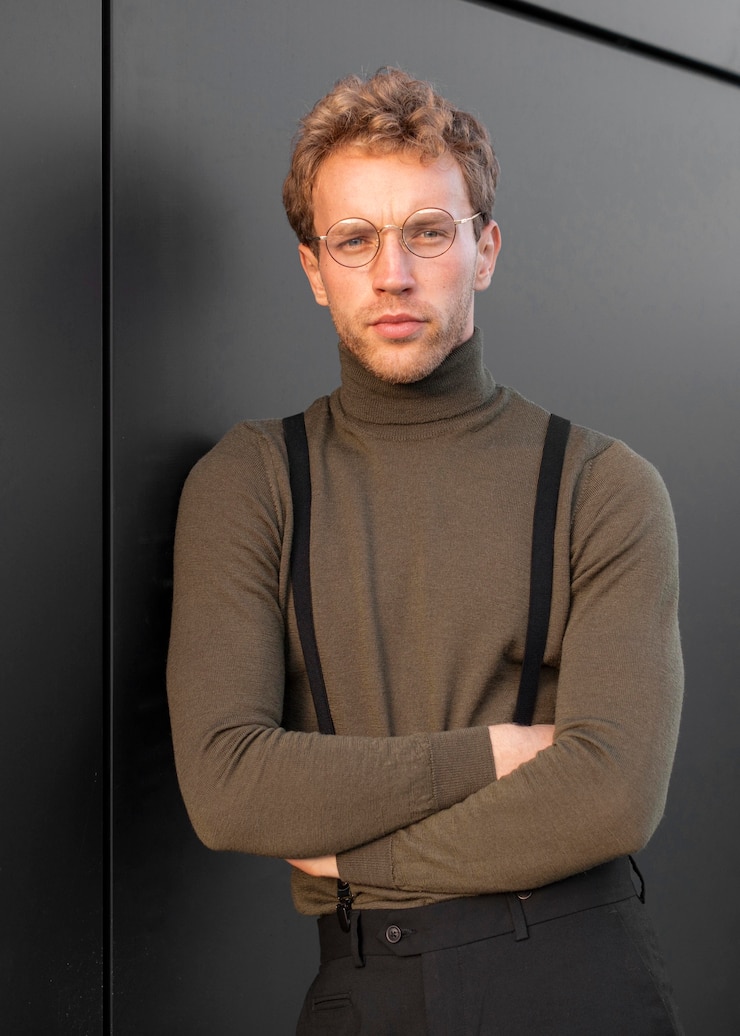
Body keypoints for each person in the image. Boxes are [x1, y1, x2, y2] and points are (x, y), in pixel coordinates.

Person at [167, 68, 683, 1034]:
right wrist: (494, 753)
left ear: (484, 250)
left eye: (428, 232)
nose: (391, 274)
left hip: (579, 977)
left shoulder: (603, 485)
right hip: (369, 984)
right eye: (354, 239)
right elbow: (230, 788)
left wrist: (362, 861)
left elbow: (611, 794)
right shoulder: (251, 482)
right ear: (314, 269)